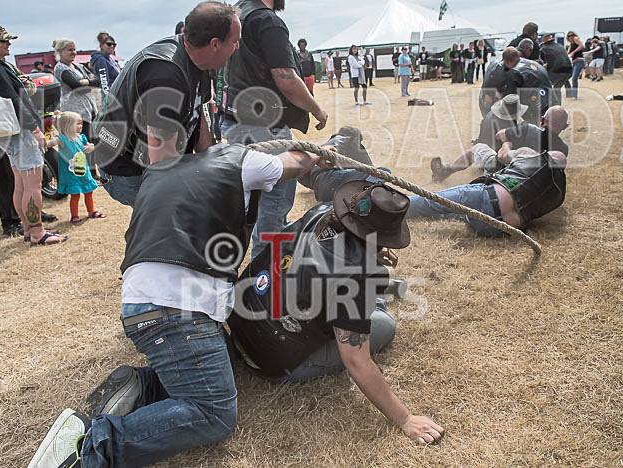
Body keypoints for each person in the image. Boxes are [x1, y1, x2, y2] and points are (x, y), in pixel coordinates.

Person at [26, 136, 334, 468]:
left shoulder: (159, 171)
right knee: (214, 412)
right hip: (177, 311)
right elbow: (292, 164)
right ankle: (87, 450)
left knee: (224, 360)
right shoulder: (238, 160)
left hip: (140, 303)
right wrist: (316, 154)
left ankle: (140, 386)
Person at [227, 181, 445, 445]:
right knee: (385, 324)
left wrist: (371, 250)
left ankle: (375, 288)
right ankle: (377, 292)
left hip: (242, 317)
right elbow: (357, 361)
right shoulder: (352, 279)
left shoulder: (320, 213)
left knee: (348, 295)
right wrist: (405, 419)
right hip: (274, 359)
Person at [222, 0, 328, 258]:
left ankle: (256, 268)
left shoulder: (233, 15)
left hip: (232, 122)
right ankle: (264, 278)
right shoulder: (266, 20)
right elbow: (287, 80)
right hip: (263, 127)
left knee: (246, 203)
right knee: (274, 207)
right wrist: (316, 109)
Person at [95, 1, 240, 207]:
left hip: (153, 158)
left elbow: (200, 114)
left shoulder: (202, 58)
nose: (237, 47)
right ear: (215, 44)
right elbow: (162, 163)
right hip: (127, 169)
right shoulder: (165, 76)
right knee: (172, 219)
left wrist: (211, 165)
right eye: (234, 41)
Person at [0, 23, 67, 246]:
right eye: (3, 40)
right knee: (31, 183)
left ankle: (30, 229)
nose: (8, 43)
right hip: (20, 130)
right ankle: (38, 231)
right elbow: (14, 101)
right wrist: (35, 129)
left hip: (10, 131)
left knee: (21, 183)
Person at [408, 147, 567, 236]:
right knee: (447, 212)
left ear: (547, 155)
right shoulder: (558, 195)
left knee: (430, 201)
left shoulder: (534, 156)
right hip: (497, 229)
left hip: (487, 199)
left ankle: (387, 204)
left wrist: (507, 146)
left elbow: (505, 157)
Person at [429, 94, 527, 182]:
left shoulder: (490, 117)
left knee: (476, 148)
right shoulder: (516, 128)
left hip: (490, 160)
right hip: (503, 166)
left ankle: (446, 170)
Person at [53, 38, 101, 178]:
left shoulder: (78, 66)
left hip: (89, 109)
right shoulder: (61, 68)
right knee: (79, 144)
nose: (73, 52)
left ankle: (92, 173)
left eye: (74, 49)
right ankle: (82, 173)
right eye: (70, 50)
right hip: (75, 113)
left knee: (90, 141)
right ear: (60, 52)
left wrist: (86, 81)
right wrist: (87, 83)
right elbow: (76, 86)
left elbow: (96, 81)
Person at [46, 111, 106, 225]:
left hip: (84, 171)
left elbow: (90, 146)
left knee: (89, 192)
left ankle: (91, 211)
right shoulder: (62, 139)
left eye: (81, 123)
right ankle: (74, 216)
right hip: (71, 175)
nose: (81, 126)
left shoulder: (81, 138)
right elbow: (51, 142)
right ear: (67, 126)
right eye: (77, 124)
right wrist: (45, 142)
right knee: (75, 195)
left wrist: (91, 147)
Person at [539, 34, 572, 105]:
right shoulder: (560, 46)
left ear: (544, 44)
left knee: (544, 86)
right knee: (557, 88)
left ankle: (546, 105)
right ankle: (558, 106)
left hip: (556, 71)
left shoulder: (544, 49)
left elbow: (543, 64)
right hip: (569, 70)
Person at [564, 31, 586, 100]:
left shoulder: (576, 39)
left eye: (572, 35)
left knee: (574, 78)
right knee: (565, 78)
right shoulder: (571, 44)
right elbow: (567, 53)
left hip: (579, 61)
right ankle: (569, 94)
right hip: (574, 62)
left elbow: (582, 46)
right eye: (569, 36)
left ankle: (574, 96)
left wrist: (574, 52)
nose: (571, 37)